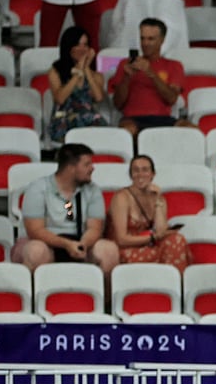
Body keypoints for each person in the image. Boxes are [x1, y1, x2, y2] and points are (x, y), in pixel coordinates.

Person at [13, 143, 119, 276]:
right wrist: (66, 244)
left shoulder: (93, 190)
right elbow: (35, 230)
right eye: (87, 164)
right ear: (71, 168)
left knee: (109, 251)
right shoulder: (38, 188)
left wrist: (82, 245)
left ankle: (105, 297)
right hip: (45, 241)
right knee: (36, 252)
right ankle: (37, 296)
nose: (92, 168)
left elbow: (95, 228)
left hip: (81, 240)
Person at [109, 18, 195, 137]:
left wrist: (151, 73)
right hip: (133, 119)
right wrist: (126, 78)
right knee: (126, 132)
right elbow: (117, 103)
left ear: (162, 40)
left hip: (164, 118)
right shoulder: (125, 64)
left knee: (192, 130)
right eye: (142, 38)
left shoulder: (174, 65)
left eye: (151, 39)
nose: (145, 43)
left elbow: (171, 99)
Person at [106, 155, 190, 273]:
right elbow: (121, 240)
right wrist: (152, 238)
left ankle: (173, 288)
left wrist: (158, 200)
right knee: (172, 247)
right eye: (136, 170)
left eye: (145, 170)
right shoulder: (121, 197)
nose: (140, 174)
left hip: (147, 245)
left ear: (152, 174)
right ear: (131, 175)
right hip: (125, 248)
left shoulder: (157, 197)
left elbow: (161, 230)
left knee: (176, 240)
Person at [48, 26, 108, 145]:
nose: (82, 49)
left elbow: (99, 97)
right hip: (64, 118)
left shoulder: (96, 75)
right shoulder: (55, 71)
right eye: (77, 44)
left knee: (98, 123)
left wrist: (85, 68)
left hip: (88, 118)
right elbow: (60, 98)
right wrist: (77, 73)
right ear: (69, 47)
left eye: (85, 45)